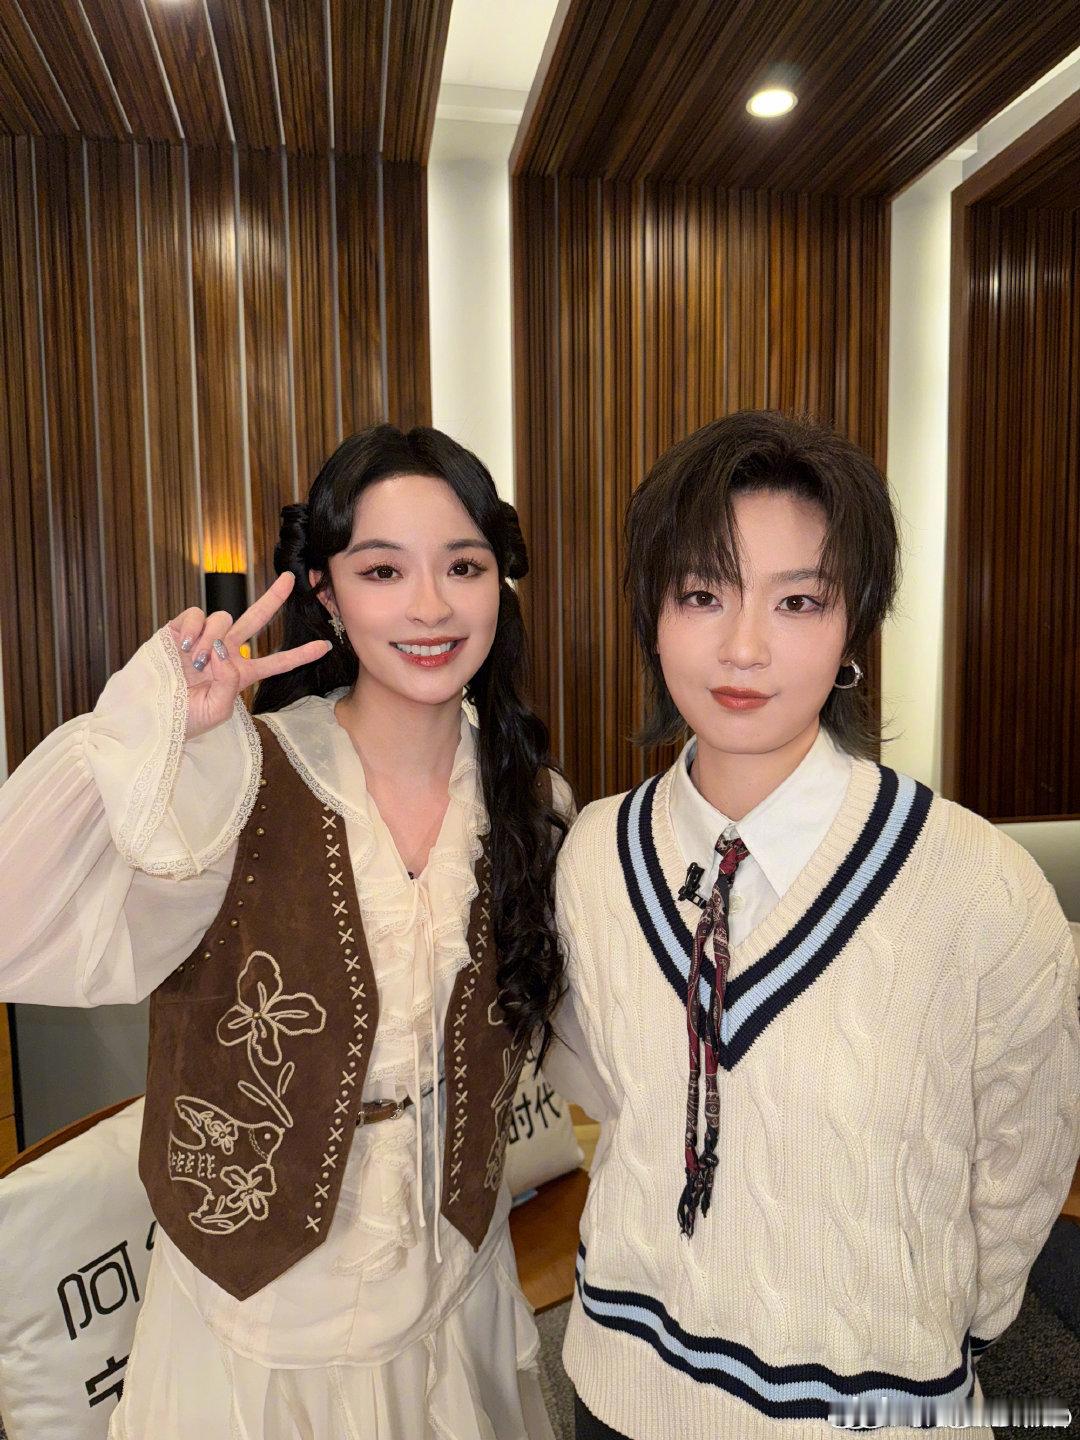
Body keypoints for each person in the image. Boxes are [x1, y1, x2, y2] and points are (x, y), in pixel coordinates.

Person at [0, 424, 569, 1439]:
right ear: (326, 592)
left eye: (463, 566)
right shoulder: (238, 778)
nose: (430, 606)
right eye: (383, 570)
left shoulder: (533, 804)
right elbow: (18, 931)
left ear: (499, 586)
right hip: (256, 1318)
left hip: (451, 1284)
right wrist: (147, 736)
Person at [544, 410, 1080, 1440]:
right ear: (654, 618)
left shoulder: (978, 887)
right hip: (622, 1385)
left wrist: (928, 1327)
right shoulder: (596, 856)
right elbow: (611, 1090)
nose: (744, 647)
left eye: (798, 601)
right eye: (703, 594)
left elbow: (1022, 1172)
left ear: (851, 629)